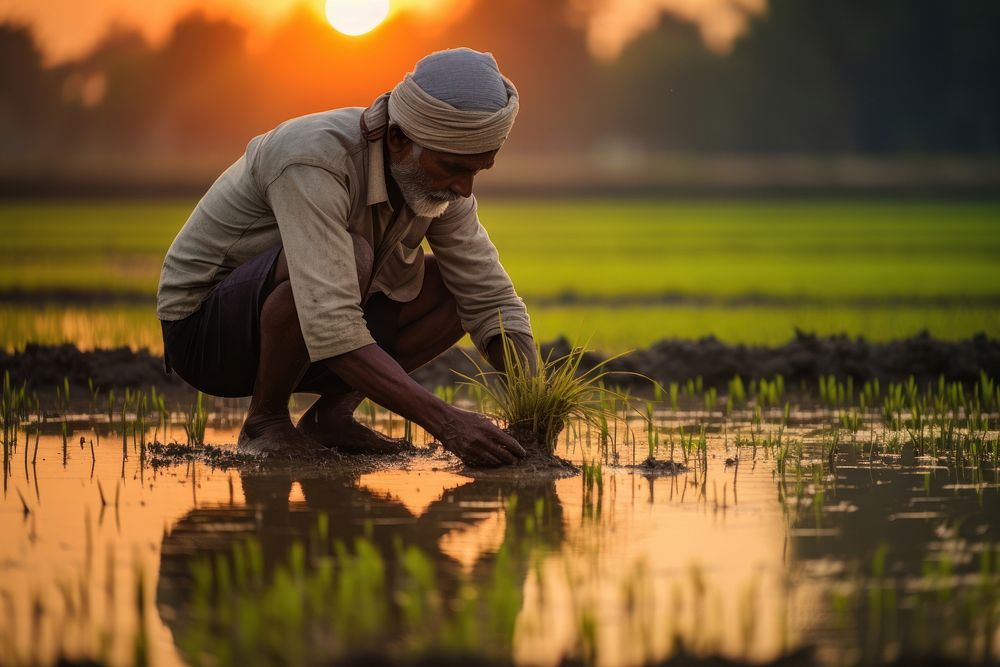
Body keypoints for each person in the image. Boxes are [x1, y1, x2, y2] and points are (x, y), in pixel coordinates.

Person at [155, 48, 534, 466]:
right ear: (398, 140)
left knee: (454, 287)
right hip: (206, 333)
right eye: (454, 168)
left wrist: (535, 408)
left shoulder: (440, 183)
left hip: (312, 333)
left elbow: (490, 297)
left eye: (477, 172)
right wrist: (447, 423)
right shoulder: (314, 157)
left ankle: (330, 416)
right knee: (351, 258)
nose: (464, 189)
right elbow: (330, 317)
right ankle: (265, 421)